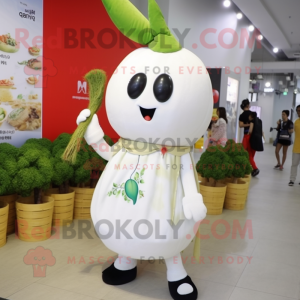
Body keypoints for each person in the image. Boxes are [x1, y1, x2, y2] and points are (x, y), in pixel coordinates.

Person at [248, 111, 264, 177]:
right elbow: (261, 130)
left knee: (249, 155)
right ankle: (251, 168)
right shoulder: (260, 121)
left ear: (251, 116)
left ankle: (255, 168)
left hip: (253, 139)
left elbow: (250, 131)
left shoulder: (252, 121)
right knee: (252, 155)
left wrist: (248, 134)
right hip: (259, 139)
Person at [289, 105, 300, 186]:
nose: (298, 112)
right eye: (297, 111)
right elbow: (292, 131)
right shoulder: (296, 122)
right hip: (296, 147)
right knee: (294, 165)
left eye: (299, 110)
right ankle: (292, 179)